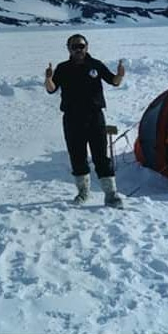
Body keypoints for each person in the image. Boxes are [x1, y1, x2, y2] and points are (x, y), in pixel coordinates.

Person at [45, 33, 125, 208]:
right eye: (74, 46)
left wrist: (120, 75)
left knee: (101, 156)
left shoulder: (95, 64)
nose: (78, 49)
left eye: (81, 46)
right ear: (69, 49)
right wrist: (49, 79)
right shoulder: (63, 68)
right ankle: (83, 193)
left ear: (87, 47)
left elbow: (114, 81)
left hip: (95, 117)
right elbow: (51, 89)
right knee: (77, 156)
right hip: (72, 119)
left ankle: (111, 195)